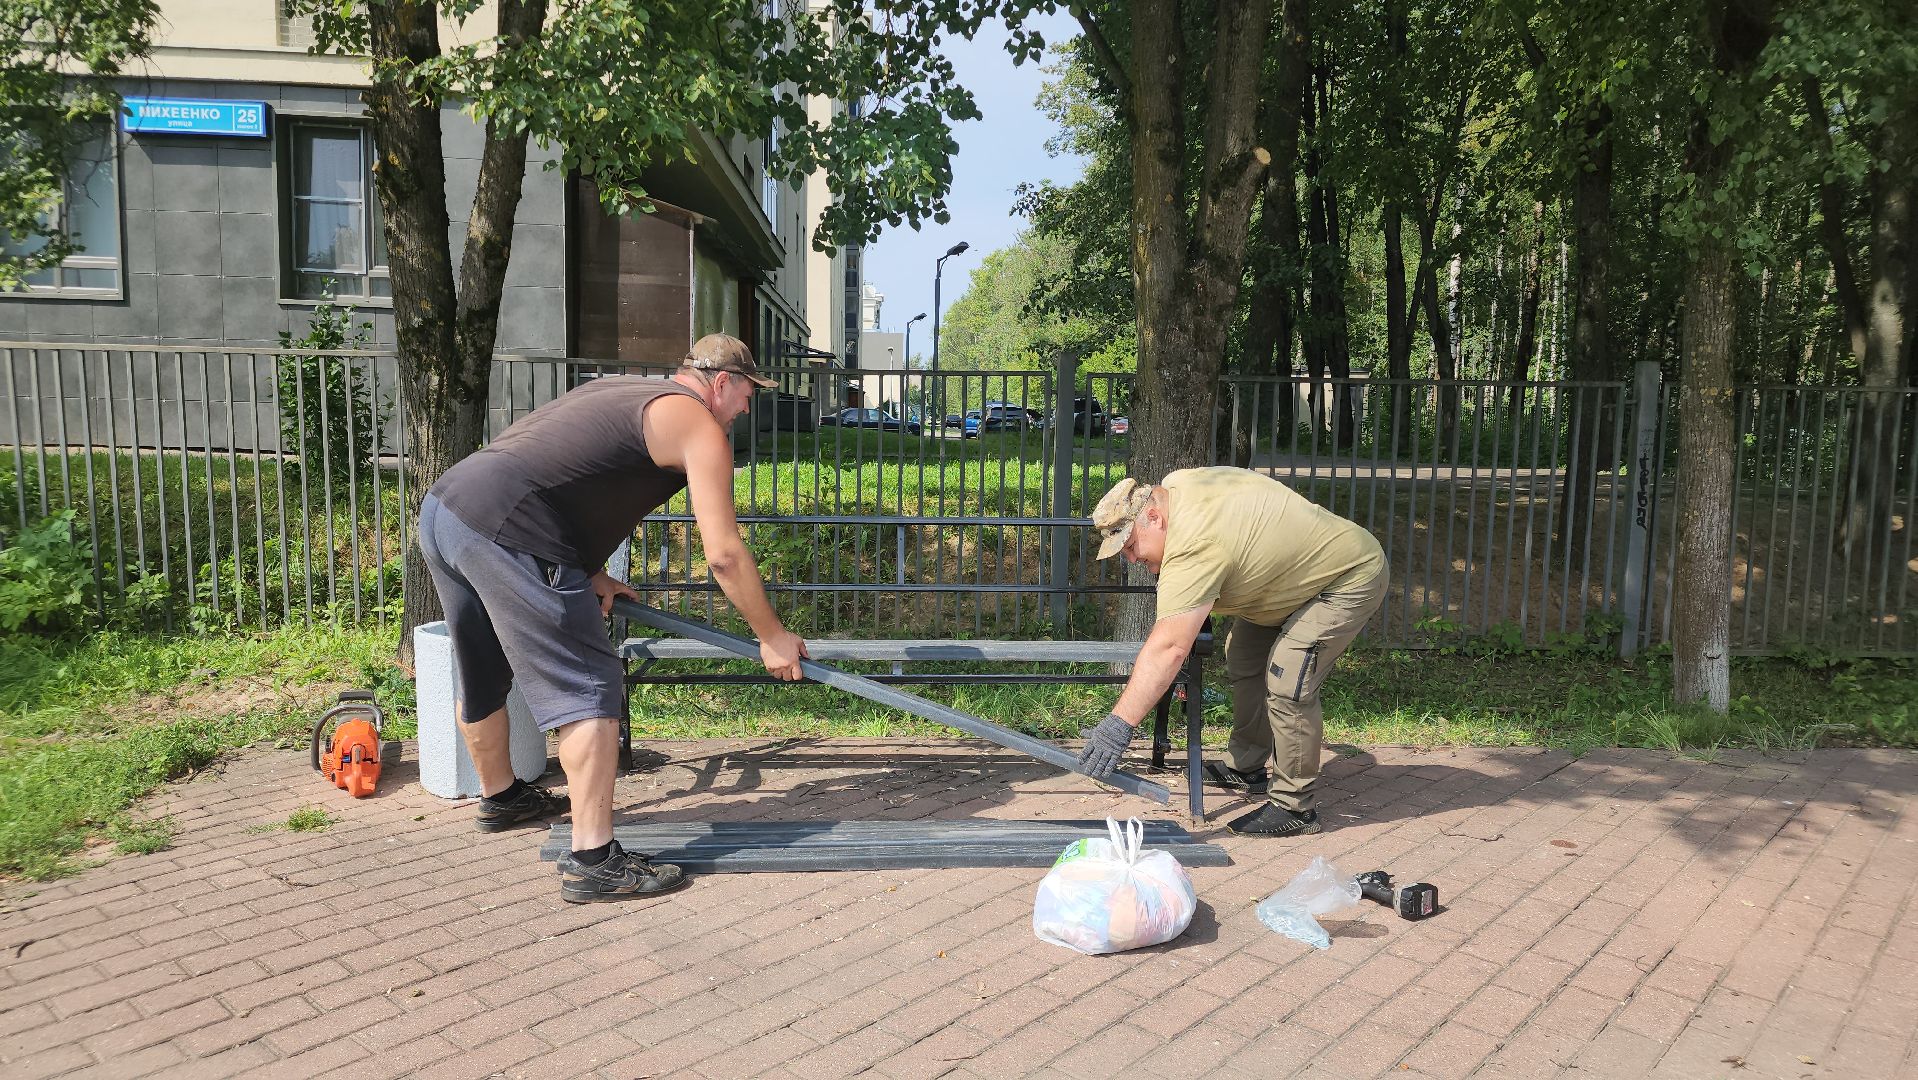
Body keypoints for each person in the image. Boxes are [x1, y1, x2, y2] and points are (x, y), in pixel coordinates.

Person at [417, 334, 809, 901]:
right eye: (749, 393)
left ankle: (501, 797)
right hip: (512, 531)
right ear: (722, 383)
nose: (748, 408)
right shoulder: (699, 426)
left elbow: (569, 474)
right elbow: (723, 554)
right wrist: (771, 636)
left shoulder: (624, 390)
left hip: (449, 508)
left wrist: (590, 571)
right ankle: (594, 859)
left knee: (482, 666)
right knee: (591, 685)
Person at [1074, 469, 1387, 836]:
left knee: (1289, 678)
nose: (1129, 559)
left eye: (1129, 546)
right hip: (1282, 582)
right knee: (1242, 655)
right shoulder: (1176, 485)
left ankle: (1295, 805)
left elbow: (1170, 648)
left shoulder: (1194, 545)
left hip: (1345, 577)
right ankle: (1246, 767)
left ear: (1154, 518)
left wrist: (1117, 727)